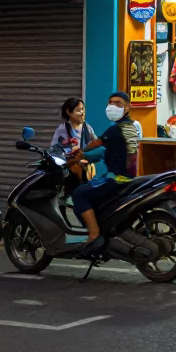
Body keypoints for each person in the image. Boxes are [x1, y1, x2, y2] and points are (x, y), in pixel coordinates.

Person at [68, 91, 139, 251]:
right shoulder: (132, 127)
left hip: (116, 180)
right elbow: (106, 152)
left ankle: (93, 233)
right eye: (111, 103)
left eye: (118, 104)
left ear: (128, 108)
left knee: (79, 193)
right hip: (129, 178)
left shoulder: (115, 130)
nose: (113, 107)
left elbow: (95, 144)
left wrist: (79, 151)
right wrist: (85, 156)